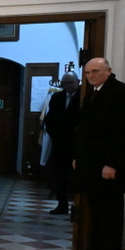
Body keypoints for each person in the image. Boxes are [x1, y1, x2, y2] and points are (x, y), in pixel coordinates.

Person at [74, 58, 125, 250]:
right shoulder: (95, 92)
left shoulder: (120, 93)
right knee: (95, 209)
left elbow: (122, 133)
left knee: (109, 210)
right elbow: (87, 130)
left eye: (95, 71)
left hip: (109, 165)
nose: (90, 76)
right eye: (87, 73)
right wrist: (79, 158)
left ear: (108, 71)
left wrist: (112, 164)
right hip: (92, 164)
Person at [43, 72, 80, 215]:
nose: (68, 86)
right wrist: (55, 134)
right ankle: (62, 204)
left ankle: (78, 206)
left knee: (75, 175)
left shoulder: (83, 97)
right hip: (60, 142)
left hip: (77, 143)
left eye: (70, 83)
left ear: (77, 81)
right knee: (59, 174)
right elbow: (49, 118)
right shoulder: (57, 97)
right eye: (65, 83)